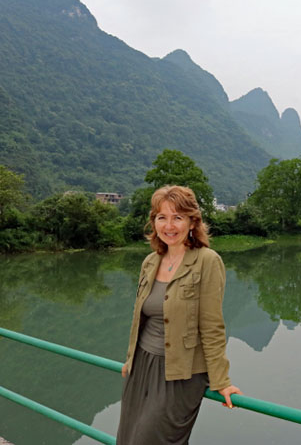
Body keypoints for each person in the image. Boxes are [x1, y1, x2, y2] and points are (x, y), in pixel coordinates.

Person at [117, 185, 242, 444]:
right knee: (128, 438)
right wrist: (131, 358)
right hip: (141, 366)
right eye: (162, 217)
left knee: (148, 439)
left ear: (192, 222)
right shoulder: (151, 262)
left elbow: (212, 326)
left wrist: (221, 380)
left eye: (178, 217)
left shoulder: (208, 261)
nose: (169, 225)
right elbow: (140, 317)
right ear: (154, 222)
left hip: (180, 374)